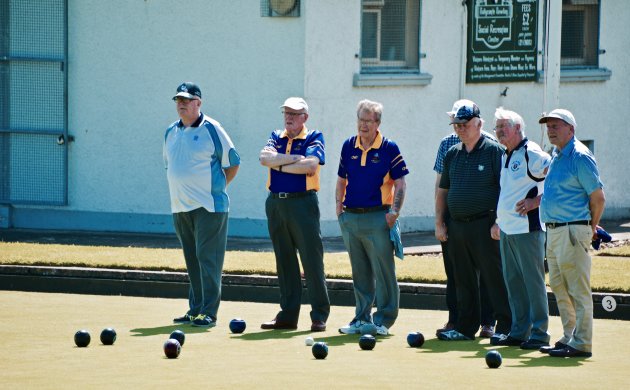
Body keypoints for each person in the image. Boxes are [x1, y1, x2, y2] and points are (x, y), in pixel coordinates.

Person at [164, 82, 240, 327]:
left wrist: (216, 189)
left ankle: (209, 312)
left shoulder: (212, 129)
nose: (182, 104)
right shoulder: (170, 132)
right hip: (180, 207)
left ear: (199, 103)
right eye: (178, 100)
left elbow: (233, 162)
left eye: (187, 100)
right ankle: (195, 309)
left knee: (208, 260)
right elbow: (171, 166)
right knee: (192, 259)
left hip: (209, 207)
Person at [435, 100, 511, 341]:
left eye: (465, 124)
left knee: (493, 278)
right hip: (457, 224)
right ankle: (465, 328)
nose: (460, 129)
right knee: (463, 279)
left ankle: (505, 327)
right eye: (456, 125)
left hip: (485, 224)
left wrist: (500, 221)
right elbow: (443, 190)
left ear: (479, 123)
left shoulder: (493, 151)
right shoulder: (452, 153)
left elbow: (505, 189)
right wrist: (440, 221)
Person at [336, 99, 408, 336]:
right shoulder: (348, 145)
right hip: (351, 217)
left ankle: (384, 320)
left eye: (368, 121)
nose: (363, 125)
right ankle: (361, 318)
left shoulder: (389, 147)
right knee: (360, 271)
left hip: (378, 217)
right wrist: (339, 210)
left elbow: (400, 183)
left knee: (384, 271)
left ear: (377, 123)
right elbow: (341, 179)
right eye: (360, 120)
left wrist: (394, 212)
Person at [258, 97, 330, 332]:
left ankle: (319, 315)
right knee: (284, 261)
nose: (289, 117)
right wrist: (290, 162)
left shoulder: (313, 136)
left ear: (304, 118)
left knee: (311, 260)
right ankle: (288, 315)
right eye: (286, 112)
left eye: (294, 113)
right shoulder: (276, 135)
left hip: (303, 204)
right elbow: (263, 158)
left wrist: (277, 163)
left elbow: (310, 166)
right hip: (276, 204)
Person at [538, 109, 605, 358]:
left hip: (573, 230)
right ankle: (570, 337)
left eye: (557, 125)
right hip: (554, 230)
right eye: (549, 126)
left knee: (577, 288)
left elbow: (597, 197)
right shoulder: (556, 155)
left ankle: (582, 342)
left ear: (571, 129)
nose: (551, 129)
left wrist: (591, 226)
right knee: (559, 285)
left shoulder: (580, 156)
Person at [489, 107, 551, 349]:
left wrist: (536, 202)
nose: (499, 132)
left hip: (528, 230)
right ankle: (519, 331)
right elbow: (508, 194)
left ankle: (539, 334)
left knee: (533, 283)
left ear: (517, 128)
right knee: (513, 282)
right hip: (508, 230)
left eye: (504, 127)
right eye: (497, 128)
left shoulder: (531, 152)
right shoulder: (506, 154)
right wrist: (499, 221)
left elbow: (556, 177)